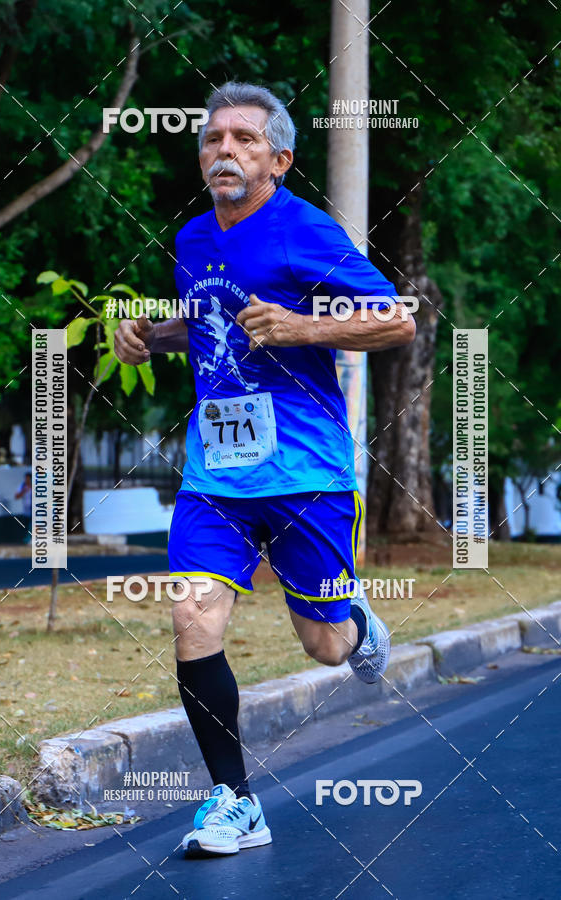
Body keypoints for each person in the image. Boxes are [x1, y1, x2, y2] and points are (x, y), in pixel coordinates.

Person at [114, 81, 415, 858]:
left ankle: (358, 624)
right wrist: (150, 337)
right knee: (191, 616)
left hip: (305, 469)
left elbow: (396, 318)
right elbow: (209, 325)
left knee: (325, 645)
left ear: (278, 160)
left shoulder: (302, 229)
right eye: (214, 139)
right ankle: (236, 801)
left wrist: (302, 326)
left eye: (245, 139)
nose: (226, 150)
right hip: (215, 474)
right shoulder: (191, 240)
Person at [14, 471, 32, 544]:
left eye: (28, 479)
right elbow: (16, 496)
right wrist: (23, 491)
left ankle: (30, 539)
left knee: (32, 524)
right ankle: (27, 539)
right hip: (26, 510)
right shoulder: (22, 486)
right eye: (26, 478)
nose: (27, 480)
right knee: (27, 525)